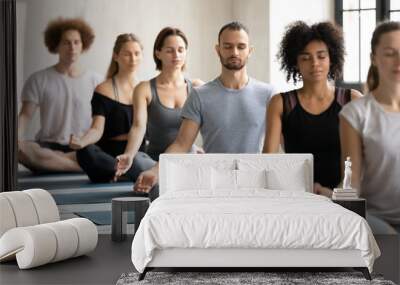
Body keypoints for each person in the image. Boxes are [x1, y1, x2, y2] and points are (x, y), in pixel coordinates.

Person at [134, 21, 275, 194]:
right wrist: (155, 171)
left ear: (250, 51)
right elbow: (181, 144)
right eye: (228, 46)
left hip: (256, 184)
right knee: (159, 191)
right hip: (213, 184)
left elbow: (281, 146)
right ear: (218, 50)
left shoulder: (269, 94)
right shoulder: (200, 95)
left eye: (241, 46)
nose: (234, 52)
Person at [262, 21, 361, 197]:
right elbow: (267, 161)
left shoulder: (351, 100)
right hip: (296, 197)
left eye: (321, 56)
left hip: (344, 199)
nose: (314, 63)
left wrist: (334, 195)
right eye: (306, 58)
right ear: (295, 63)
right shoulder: (280, 103)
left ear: (332, 58)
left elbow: (365, 162)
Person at [115, 27, 203, 179]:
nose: (176, 55)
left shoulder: (197, 87)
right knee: (136, 160)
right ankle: (163, 176)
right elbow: (138, 126)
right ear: (158, 53)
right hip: (154, 161)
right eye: (170, 50)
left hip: (189, 160)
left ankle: (165, 178)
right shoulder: (144, 89)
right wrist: (129, 154)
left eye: (181, 50)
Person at [18, 17, 102, 172]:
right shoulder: (39, 79)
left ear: (83, 45)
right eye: (66, 42)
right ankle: (81, 167)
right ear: (56, 45)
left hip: (82, 147)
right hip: (47, 146)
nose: (72, 47)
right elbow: (25, 116)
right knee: (21, 150)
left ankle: (58, 164)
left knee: (95, 153)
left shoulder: (96, 81)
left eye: (76, 42)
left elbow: (100, 123)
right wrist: (14, 140)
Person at [69, 34, 155, 183]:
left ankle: (120, 172)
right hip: (109, 154)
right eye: (127, 54)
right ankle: (118, 170)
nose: (133, 59)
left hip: (137, 152)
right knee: (85, 152)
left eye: (137, 54)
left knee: (140, 160)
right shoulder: (103, 89)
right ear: (116, 56)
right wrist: (82, 141)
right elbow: (97, 129)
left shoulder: (147, 88)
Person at [340, 21, 400, 234]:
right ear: (374, 58)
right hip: (377, 221)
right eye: (390, 53)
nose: (398, 60)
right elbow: (352, 178)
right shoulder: (355, 113)